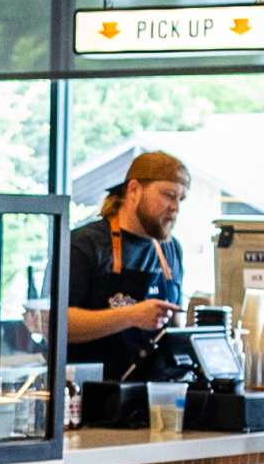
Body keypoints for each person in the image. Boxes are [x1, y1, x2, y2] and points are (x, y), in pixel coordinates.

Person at [65, 149, 193, 385]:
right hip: (90, 395)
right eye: (168, 195)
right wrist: (131, 316)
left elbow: (173, 328)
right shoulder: (85, 245)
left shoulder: (171, 249)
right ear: (134, 190)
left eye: (180, 199)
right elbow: (60, 324)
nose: (175, 207)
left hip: (154, 394)